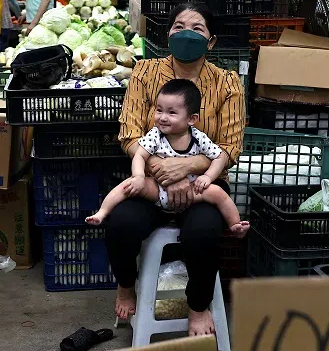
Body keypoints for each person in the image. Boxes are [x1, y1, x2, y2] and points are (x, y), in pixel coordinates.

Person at [104, 1, 245, 337]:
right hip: (153, 182)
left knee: (203, 233)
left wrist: (187, 168)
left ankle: (198, 307)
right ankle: (126, 285)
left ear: (211, 42)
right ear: (167, 34)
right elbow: (130, 134)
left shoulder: (228, 83)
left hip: (204, 185)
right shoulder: (145, 73)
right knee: (120, 224)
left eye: (197, 29)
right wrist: (161, 169)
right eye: (179, 27)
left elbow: (230, 145)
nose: (186, 34)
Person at [88, 78, 249, 237]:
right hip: (157, 189)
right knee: (128, 186)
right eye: (159, 110)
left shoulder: (199, 138)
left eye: (171, 112)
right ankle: (102, 212)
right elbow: (140, 156)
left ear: (192, 119)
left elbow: (220, 157)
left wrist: (208, 176)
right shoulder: (155, 135)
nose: (163, 117)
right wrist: (138, 176)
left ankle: (235, 225)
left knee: (218, 193)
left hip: (192, 190)